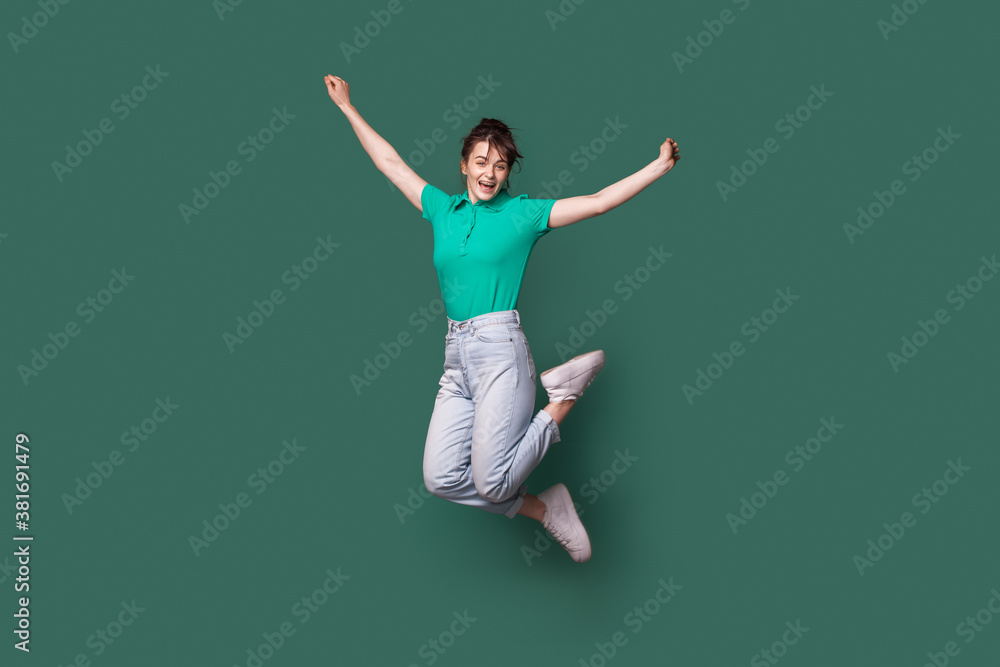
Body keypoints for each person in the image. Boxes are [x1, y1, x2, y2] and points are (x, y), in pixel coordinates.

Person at [324, 74, 680, 563]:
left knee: (492, 483)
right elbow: (391, 163)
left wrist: (656, 169)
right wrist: (347, 107)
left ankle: (564, 397)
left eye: (501, 165)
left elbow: (596, 202)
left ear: (509, 172)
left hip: (500, 351)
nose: (491, 173)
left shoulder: (523, 215)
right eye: (481, 162)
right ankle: (545, 507)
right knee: (440, 478)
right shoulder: (442, 210)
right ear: (464, 165)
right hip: (456, 358)